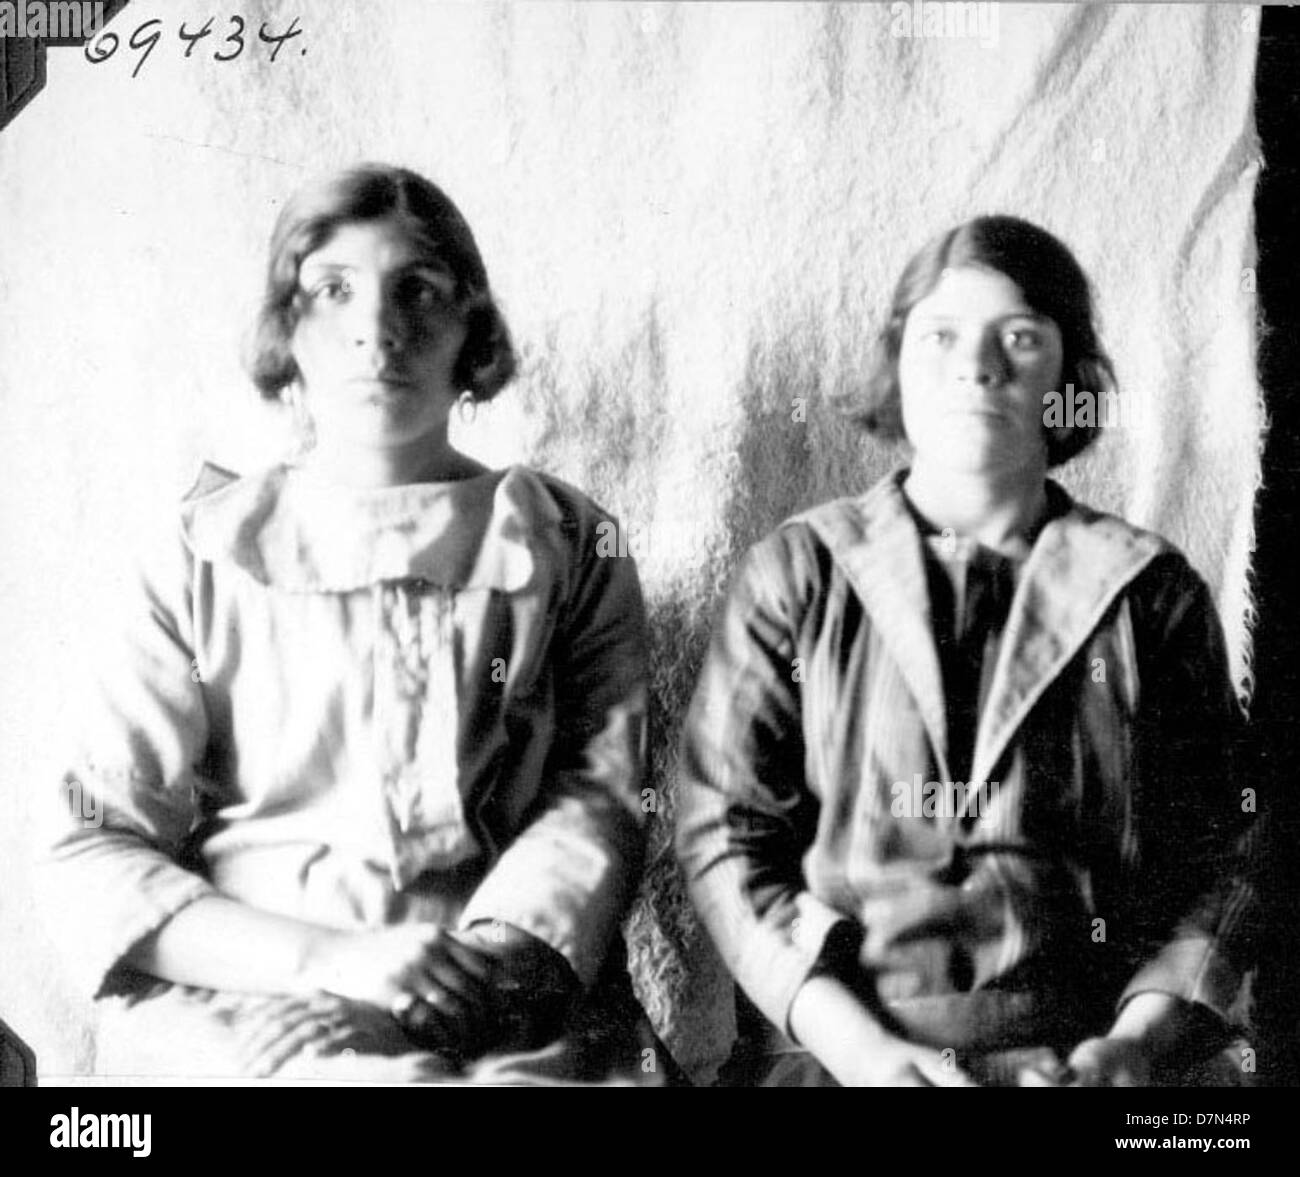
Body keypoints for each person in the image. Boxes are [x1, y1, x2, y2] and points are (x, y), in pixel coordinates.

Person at [46, 163, 659, 1084]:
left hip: (504, 996)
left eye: (419, 288)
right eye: (333, 290)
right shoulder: (202, 551)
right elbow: (96, 843)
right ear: (287, 330)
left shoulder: (570, 540)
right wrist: (329, 965)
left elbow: (602, 795)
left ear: (472, 328)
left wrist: (482, 968)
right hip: (257, 998)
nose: (378, 327)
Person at [675, 215, 1259, 1087]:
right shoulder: (796, 575)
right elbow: (725, 838)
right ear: (897, 365)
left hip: (1096, 1055)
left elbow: (1229, 849)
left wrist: (1134, 1046)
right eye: (941, 335)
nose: (977, 365)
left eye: (1020, 336)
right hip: (837, 1053)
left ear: (1069, 374)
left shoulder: (1149, 592)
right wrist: (863, 1052)